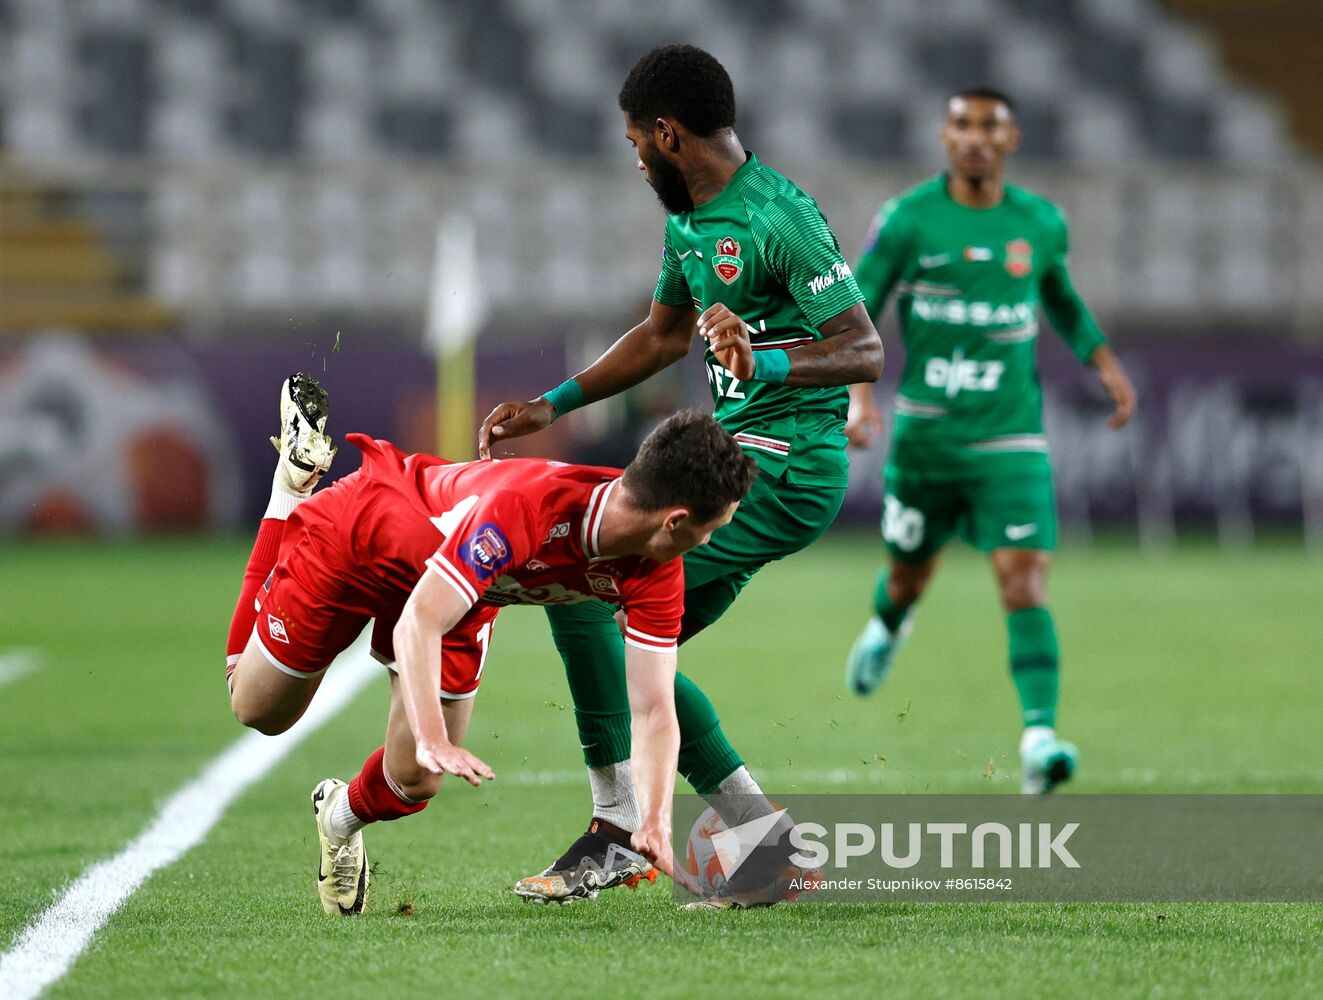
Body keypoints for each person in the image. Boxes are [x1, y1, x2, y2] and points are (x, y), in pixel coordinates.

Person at [479, 43, 883, 906]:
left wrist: (763, 364)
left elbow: (864, 348)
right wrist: (554, 403)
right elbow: (663, 336)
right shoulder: (690, 220)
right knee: (638, 656)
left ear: (667, 134)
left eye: (633, 144)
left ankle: (618, 829)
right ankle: (762, 848)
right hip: (730, 459)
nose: (633, 161)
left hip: (785, 463)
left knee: (591, 593)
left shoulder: (779, 218)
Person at [225, 373, 755, 914]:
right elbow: (418, 623)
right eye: (714, 528)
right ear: (677, 520)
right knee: (257, 708)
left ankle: (337, 816)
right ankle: (289, 492)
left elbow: (652, 710)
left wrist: (655, 821)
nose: (710, 541)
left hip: (464, 594)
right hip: (358, 540)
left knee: (415, 781)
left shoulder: (657, 568)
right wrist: (431, 733)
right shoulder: (528, 507)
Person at [843, 88, 1138, 794]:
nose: (975, 138)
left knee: (1023, 580)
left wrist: (1102, 363)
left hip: (1009, 437)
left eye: (989, 127)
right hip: (927, 439)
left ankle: (1039, 740)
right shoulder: (908, 219)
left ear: (1010, 140)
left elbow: (1059, 296)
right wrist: (858, 398)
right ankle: (887, 626)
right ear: (944, 136)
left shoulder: (1037, 223)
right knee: (907, 577)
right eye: (962, 125)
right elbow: (855, 308)